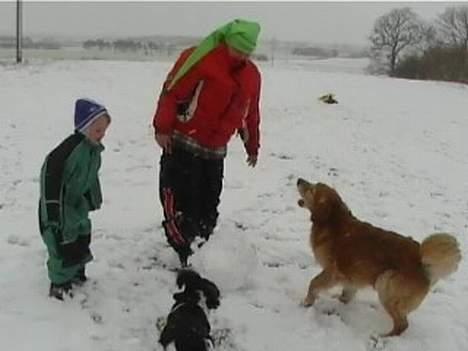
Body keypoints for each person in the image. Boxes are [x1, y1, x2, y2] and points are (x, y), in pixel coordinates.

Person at [152, 19, 262, 266]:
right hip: (183, 143)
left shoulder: (252, 75)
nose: (242, 55)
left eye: (247, 51)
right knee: (182, 202)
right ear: (227, 42)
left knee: (208, 206)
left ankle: (203, 252)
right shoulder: (199, 58)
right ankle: (182, 253)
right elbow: (172, 91)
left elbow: (251, 112)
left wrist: (252, 145)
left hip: (215, 151)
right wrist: (162, 127)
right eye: (238, 49)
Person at [38, 98, 111, 300]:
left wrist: (92, 198)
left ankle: (77, 271)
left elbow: (90, 176)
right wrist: (53, 210)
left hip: (77, 203)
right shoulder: (66, 152)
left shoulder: (93, 151)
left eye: (104, 130)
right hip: (58, 205)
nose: (102, 135)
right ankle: (59, 282)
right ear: (84, 127)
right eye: (98, 130)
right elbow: (49, 179)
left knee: (81, 234)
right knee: (61, 241)